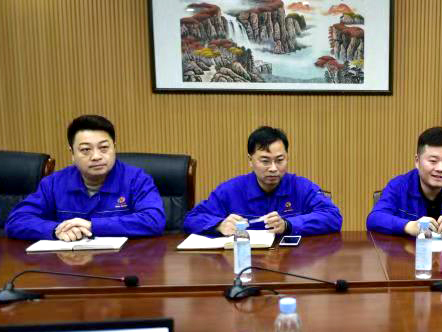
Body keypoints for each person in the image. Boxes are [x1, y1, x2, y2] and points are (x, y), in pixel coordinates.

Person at [5, 115, 165, 241]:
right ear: (72, 153)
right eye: (86, 150)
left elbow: (154, 220)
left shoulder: (136, 180)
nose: (96, 156)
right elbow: (16, 220)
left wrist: (92, 226)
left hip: (123, 262)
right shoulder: (54, 183)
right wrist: (55, 230)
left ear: (114, 147)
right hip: (69, 265)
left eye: (104, 148)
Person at [183, 126, 342, 236]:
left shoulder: (301, 187)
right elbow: (191, 219)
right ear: (250, 160)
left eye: (280, 160)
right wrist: (219, 225)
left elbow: (333, 217)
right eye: (265, 161)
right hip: (245, 261)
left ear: (287, 157)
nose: (273, 168)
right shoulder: (230, 190)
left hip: (290, 261)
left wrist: (288, 224)